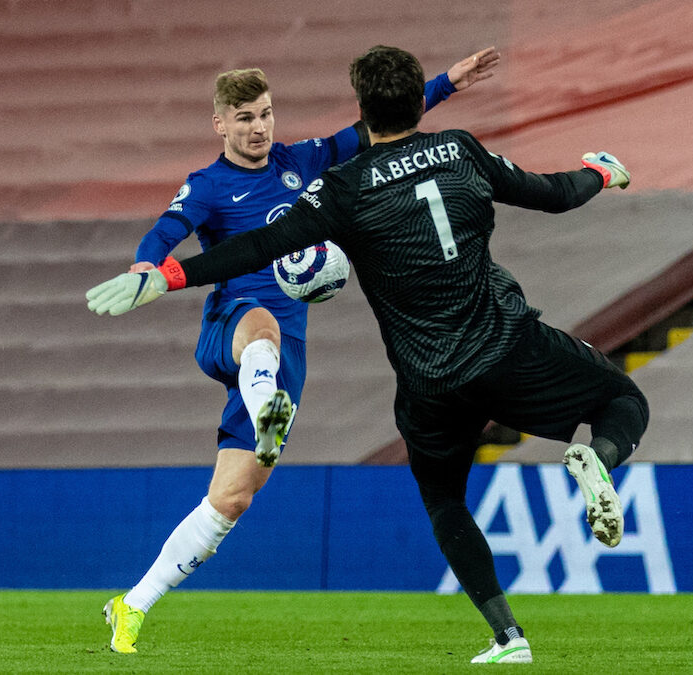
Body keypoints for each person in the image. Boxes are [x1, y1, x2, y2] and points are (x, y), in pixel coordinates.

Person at [88, 44, 648, 665]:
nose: (258, 127)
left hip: (418, 376)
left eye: (266, 114)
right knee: (620, 398)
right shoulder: (452, 152)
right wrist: (154, 267)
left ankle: (133, 603)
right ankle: (596, 459)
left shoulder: (324, 177)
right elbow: (550, 192)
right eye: (245, 117)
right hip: (272, 327)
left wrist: (446, 83)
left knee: (248, 498)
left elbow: (298, 208)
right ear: (220, 123)